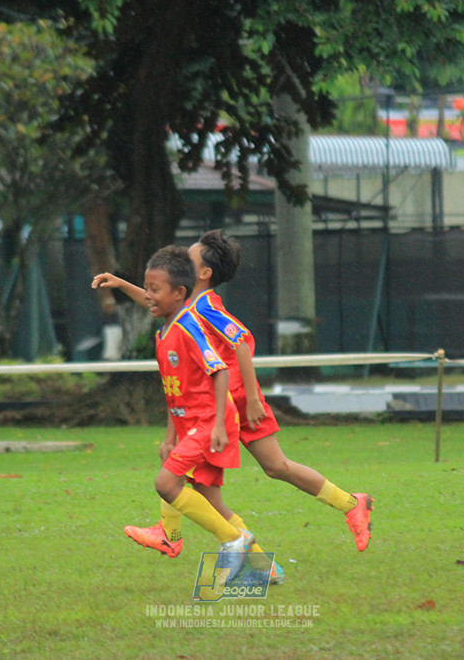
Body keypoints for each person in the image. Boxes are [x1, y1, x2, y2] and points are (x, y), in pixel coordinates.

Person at [93, 230, 373, 571]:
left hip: (234, 400)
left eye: (190, 258)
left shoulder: (206, 306)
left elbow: (241, 341)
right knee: (218, 486)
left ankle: (349, 505)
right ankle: (265, 559)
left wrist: (253, 398)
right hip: (212, 400)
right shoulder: (186, 305)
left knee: (267, 468)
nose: (182, 259)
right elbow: (157, 301)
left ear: (204, 273)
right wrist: (122, 284)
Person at [137, 245, 253, 571]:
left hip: (210, 422)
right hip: (192, 422)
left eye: (154, 290)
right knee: (208, 499)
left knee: (166, 483)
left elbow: (220, 371)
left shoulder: (189, 327)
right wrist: (169, 435)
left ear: (179, 294)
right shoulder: (164, 333)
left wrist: (217, 425)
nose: (147, 295)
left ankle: (228, 540)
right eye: (146, 288)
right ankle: (262, 567)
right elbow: (176, 392)